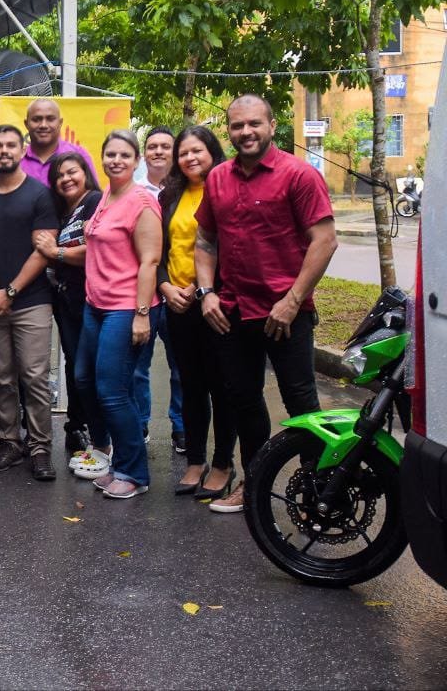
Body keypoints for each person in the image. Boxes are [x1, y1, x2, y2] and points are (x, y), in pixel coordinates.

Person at [196, 94, 337, 514]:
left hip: (286, 315)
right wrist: (207, 294)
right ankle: (254, 487)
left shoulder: (298, 175)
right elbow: (204, 241)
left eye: (254, 124)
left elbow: (324, 240)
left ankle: (318, 493)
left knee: (302, 404)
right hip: (233, 313)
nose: (246, 132)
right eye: (237, 126)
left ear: (272, 126)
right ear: (229, 130)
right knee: (244, 400)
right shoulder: (218, 177)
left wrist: (292, 301)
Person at [71, 131, 162, 500]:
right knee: (83, 380)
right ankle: (116, 458)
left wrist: (141, 314)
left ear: (136, 160)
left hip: (127, 308)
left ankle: (134, 472)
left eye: (125, 155)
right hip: (96, 305)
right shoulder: (108, 194)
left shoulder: (141, 201)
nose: (116, 160)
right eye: (110, 154)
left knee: (113, 391)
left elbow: (150, 261)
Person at [0, 125, 59, 479]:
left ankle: (39, 447)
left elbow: (43, 249)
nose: (4, 151)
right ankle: (10, 442)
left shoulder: (40, 195)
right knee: (2, 378)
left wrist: (11, 292)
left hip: (31, 300)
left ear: (23, 151)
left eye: (10, 145)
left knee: (34, 377)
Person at [157, 126, 237, 498]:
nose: (189, 158)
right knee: (189, 385)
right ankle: (194, 460)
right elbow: (157, 250)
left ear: (212, 152)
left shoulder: (226, 189)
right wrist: (166, 286)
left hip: (215, 303)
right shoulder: (169, 195)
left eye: (197, 151)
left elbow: (233, 248)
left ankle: (222, 464)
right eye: (183, 153)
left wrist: (204, 287)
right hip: (177, 304)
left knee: (221, 386)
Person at [36, 153, 101, 458]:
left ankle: (96, 433)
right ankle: (77, 427)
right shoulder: (64, 210)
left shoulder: (95, 201)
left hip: (92, 299)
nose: (66, 179)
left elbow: (95, 249)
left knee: (88, 368)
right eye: (59, 176)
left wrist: (57, 252)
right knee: (75, 365)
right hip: (65, 299)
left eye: (71, 172)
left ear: (85, 173)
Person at [132, 126, 185, 452]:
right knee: (138, 365)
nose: (159, 151)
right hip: (145, 293)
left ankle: (181, 426)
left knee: (181, 366)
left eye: (166, 146)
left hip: (179, 290)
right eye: (152, 146)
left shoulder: (187, 190)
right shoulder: (135, 192)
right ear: (144, 153)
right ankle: (139, 424)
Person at [19, 99, 98, 187]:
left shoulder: (78, 154)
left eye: (50, 119)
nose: (43, 125)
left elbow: (93, 196)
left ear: (60, 123)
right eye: (36, 119)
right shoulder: (16, 159)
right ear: (26, 124)